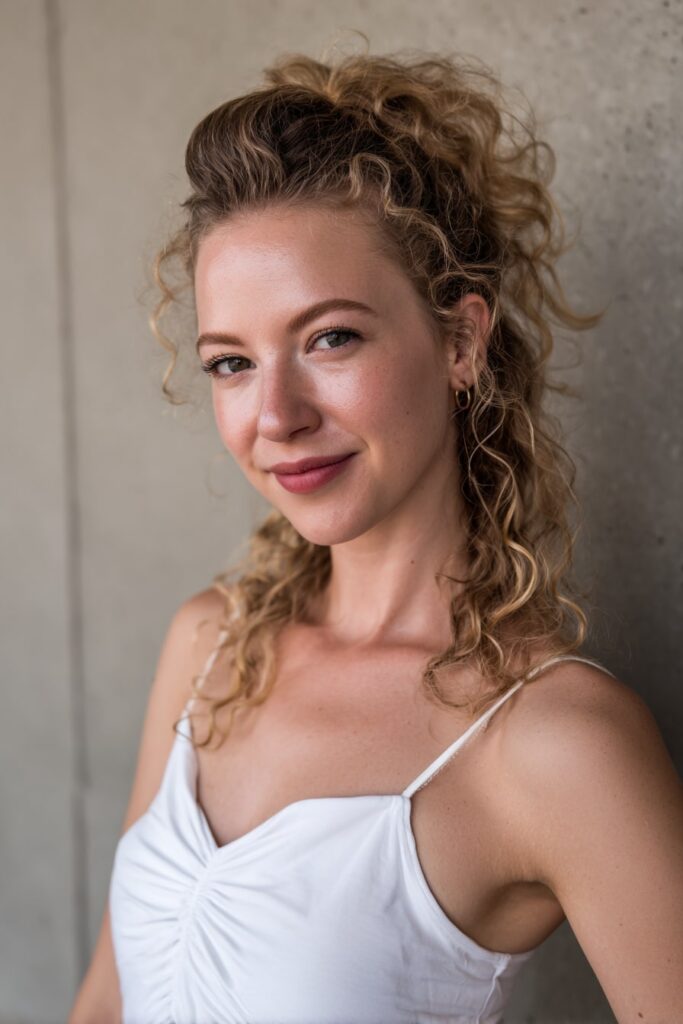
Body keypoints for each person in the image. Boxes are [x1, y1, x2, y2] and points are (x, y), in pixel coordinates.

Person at [68, 44, 683, 1024]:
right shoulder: (208, 645)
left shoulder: (551, 743)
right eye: (231, 362)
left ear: (460, 340)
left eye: (329, 338)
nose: (275, 413)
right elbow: (104, 999)